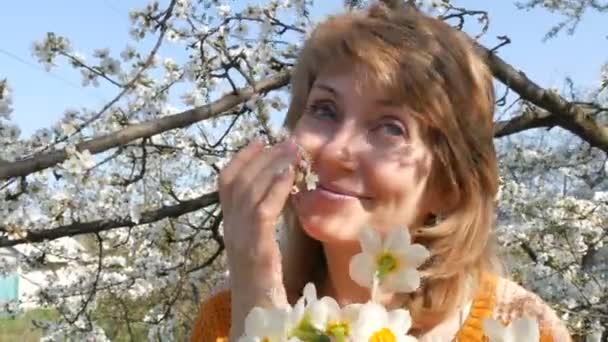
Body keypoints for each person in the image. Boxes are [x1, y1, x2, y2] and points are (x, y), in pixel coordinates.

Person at [190, 3, 571, 341]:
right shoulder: (227, 316)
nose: (338, 150)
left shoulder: (520, 328)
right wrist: (257, 299)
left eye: (391, 127)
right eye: (324, 109)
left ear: (450, 185)